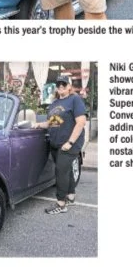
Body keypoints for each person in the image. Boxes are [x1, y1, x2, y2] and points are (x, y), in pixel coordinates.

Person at [34, 76, 86, 214]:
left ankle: (61, 204)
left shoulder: (75, 99)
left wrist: (70, 142)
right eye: (58, 84)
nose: (61, 86)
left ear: (69, 87)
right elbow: (51, 123)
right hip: (56, 143)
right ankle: (71, 196)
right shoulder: (54, 103)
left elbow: (81, 122)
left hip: (69, 143)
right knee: (66, 170)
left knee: (60, 171)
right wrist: (38, 125)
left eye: (64, 84)